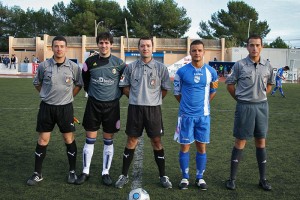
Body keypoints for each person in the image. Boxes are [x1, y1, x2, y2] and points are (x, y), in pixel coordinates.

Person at [115, 37, 172, 189]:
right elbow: (124, 87)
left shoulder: (161, 68)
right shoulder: (131, 67)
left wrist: (152, 99)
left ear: (152, 48)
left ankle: (163, 175)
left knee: (156, 141)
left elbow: (165, 90)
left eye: (148, 46)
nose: (145, 48)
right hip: (135, 108)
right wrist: (136, 98)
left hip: (153, 110)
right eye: (142, 46)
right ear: (138, 48)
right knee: (131, 140)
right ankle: (124, 175)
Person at [26, 36, 83, 186]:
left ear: (66, 48)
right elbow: (37, 83)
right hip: (47, 108)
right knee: (43, 139)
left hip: (65, 108)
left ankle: (72, 171)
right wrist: (45, 94)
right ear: (52, 48)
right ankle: (37, 173)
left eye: (62, 46)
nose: (59, 49)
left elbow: (79, 84)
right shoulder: (44, 66)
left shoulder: (73, 67)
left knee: (68, 139)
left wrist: (70, 96)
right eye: (56, 46)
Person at [75, 32, 126, 186]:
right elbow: (86, 81)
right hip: (93, 104)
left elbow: (124, 85)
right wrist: (93, 94)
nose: (104, 46)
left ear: (111, 44)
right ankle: (85, 171)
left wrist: (115, 97)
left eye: (107, 43)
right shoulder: (89, 62)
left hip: (112, 106)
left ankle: (106, 172)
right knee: (89, 139)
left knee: (108, 141)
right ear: (97, 44)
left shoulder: (119, 63)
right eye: (101, 43)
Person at [225, 35, 274, 191]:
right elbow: (230, 84)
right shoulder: (239, 65)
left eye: (257, 45)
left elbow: (270, 84)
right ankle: (232, 179)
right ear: (247, 47)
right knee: (240, 142)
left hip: (261, 107)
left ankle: (263, 179)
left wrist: (261, 96)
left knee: (261, 142)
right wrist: (240, 99)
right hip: (244, 107)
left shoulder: (267, 65)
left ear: (262, 47)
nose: (254, 48)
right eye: (251, 45)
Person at [173, 40, 218, 190]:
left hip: (203, 116)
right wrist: (187, 106)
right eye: (194, 50)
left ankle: (200, 177)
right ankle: (185, 177)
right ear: (190, 52)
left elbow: (213, 91)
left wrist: (203, 104)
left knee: (201, 147)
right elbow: (177, 93)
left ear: (204, 52)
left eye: (199, 50)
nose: (197, 53)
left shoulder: (212, 72)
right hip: (185, 116)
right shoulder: (181, 72)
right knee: (185, 147)